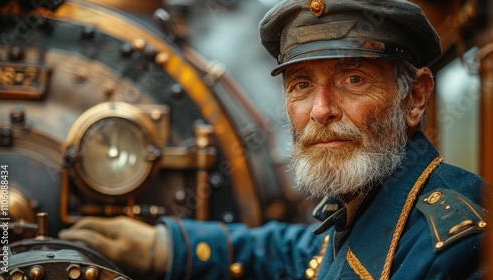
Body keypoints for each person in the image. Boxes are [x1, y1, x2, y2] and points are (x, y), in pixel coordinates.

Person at [59, 0, 491, 279]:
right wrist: (167, 247)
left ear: (415, 98)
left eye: (353, 79)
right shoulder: (367, 206)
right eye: (301, 85)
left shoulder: (457, 246)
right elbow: (301, 254)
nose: (321, 110)